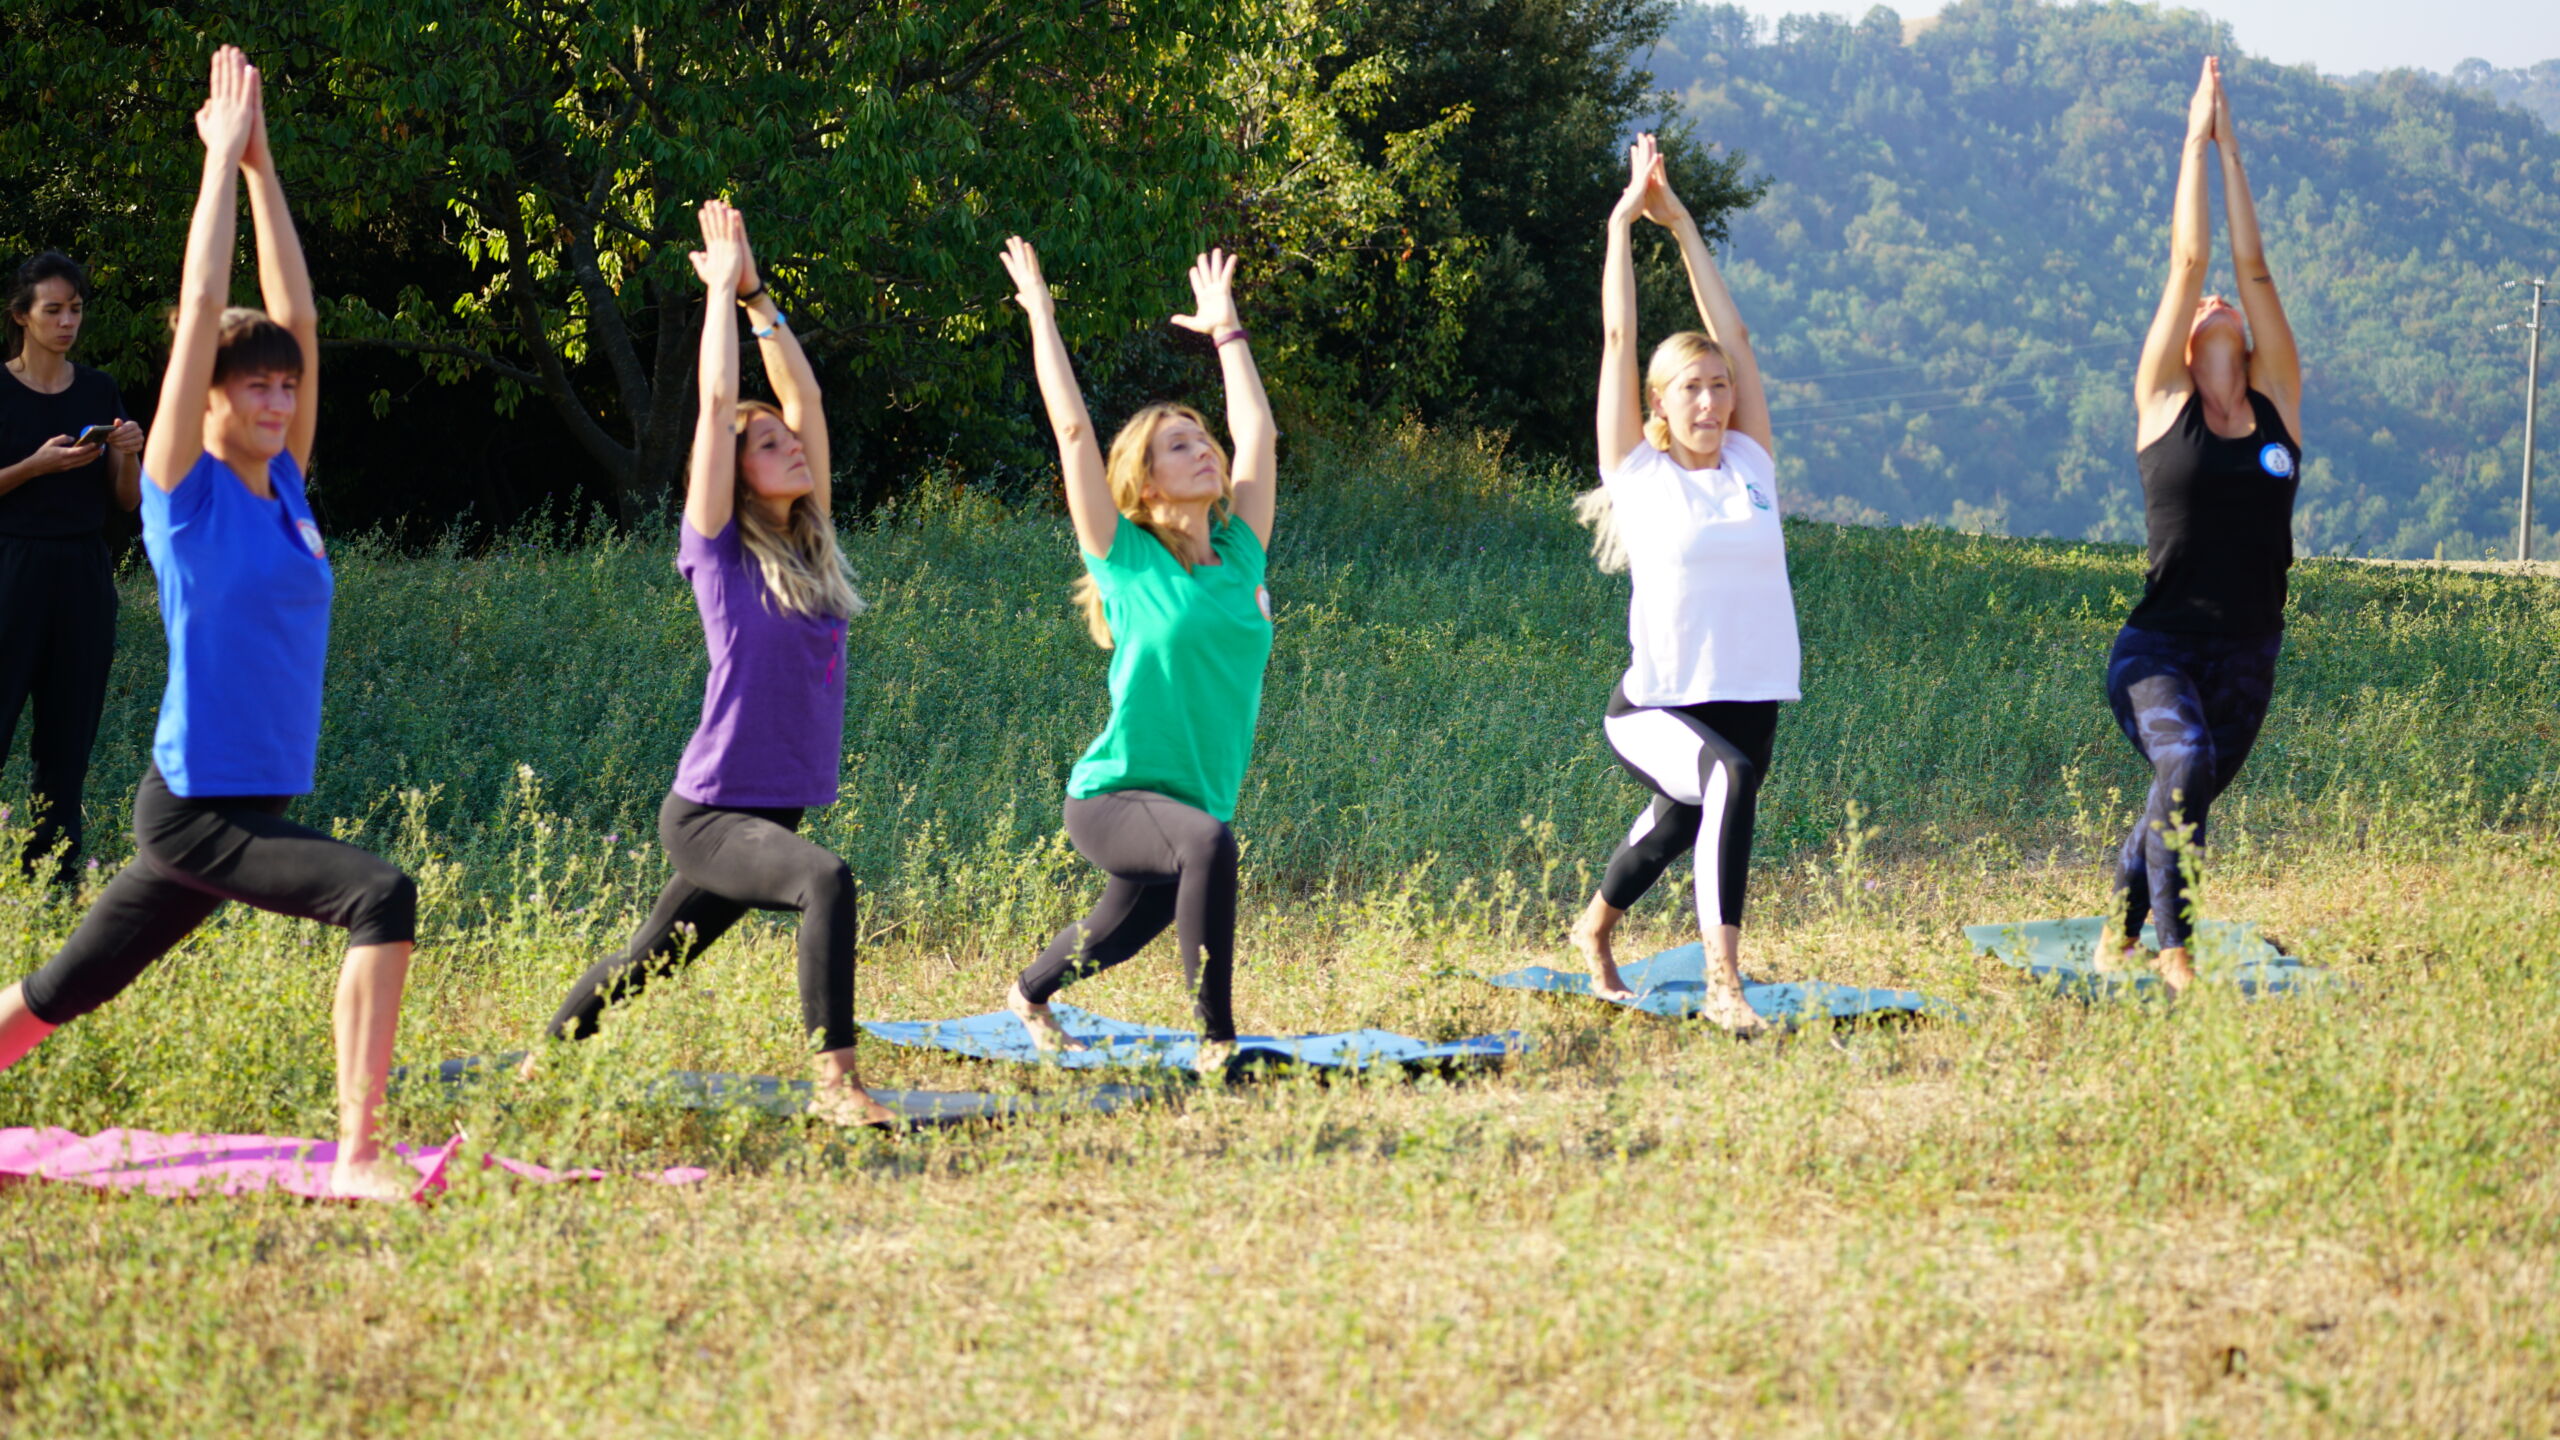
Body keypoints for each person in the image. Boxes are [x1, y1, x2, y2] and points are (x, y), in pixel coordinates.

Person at [0, 48, 422, 1199]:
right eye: (258, 389)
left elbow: (300, 319)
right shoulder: (183, 496)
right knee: (381, 895)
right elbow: (203, 311)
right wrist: (216, 168)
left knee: (63, 990)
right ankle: (357, 1157)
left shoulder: (286, 486)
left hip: (243, 804)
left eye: (288, 389)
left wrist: (268, 164)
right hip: (198, 811)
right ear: (213, 402)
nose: (280, 401)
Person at [534, 200, 896, 1128]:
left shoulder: (810, 549)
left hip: (770, 808)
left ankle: (541, 1059)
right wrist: (716, 298)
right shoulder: (719, 554)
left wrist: (760, 295)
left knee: (648, 961)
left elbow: (805, 401)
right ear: (735, 476)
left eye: (785, 441)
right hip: (710, 812)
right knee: (827, 879)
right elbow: (711, 406)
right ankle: (837, 1084)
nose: (789, 446)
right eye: (766, 445)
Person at [994, 237, 1278, 1073]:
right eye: (1181, 445)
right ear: (1146, 483)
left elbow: (1258, 428)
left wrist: (1227, 334)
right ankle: (1216, 1044)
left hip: (1195, 796)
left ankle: (1027, 995)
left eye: (1203, 438)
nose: (1206, 449)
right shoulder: (1123, 557)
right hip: (1115, 794)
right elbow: (1074, 429)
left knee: (1110, 935)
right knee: (1208, 850)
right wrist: (1042, 317)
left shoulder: (1242, 553)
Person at [1566, 134, 1799, 1036]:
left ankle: (1593, 931)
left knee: (1675, 826)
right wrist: (1626, 222)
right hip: (1656, 703)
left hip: (1749, 688)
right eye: (1688, 391)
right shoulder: (1638, 470)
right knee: (1726, 782)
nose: (1709, 403)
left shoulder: (1752, 461)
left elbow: (1734, 335)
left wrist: (1685, 225)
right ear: (1657, 404)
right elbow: (1620, 335)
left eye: (1717, 388)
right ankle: (1724, 984)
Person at [2098, 57, 2303, 992]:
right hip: (2159, 645)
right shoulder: (2160, 405)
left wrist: (2235, 151)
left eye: (2232, 306)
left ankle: (2122, 924)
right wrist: (2193, 139)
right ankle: (2176, 952)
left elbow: (2249, 263)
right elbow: (2191, 261)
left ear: (2250, 342)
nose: (2218, 294)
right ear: (2185, 343)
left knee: (2188, 791)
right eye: (2204, 307)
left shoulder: (2279, 409)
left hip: (2251, 646)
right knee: (2182, 757)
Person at [0, 250, 144, 878]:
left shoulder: (98, 389)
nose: (67, 322)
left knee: (69, 735)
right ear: (21, 316)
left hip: (83, 572)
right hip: (10, 567)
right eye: (53, 310)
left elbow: (127, 499)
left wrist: (132, 453)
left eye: (76, 309)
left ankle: (50, 876)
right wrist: (35, 466)